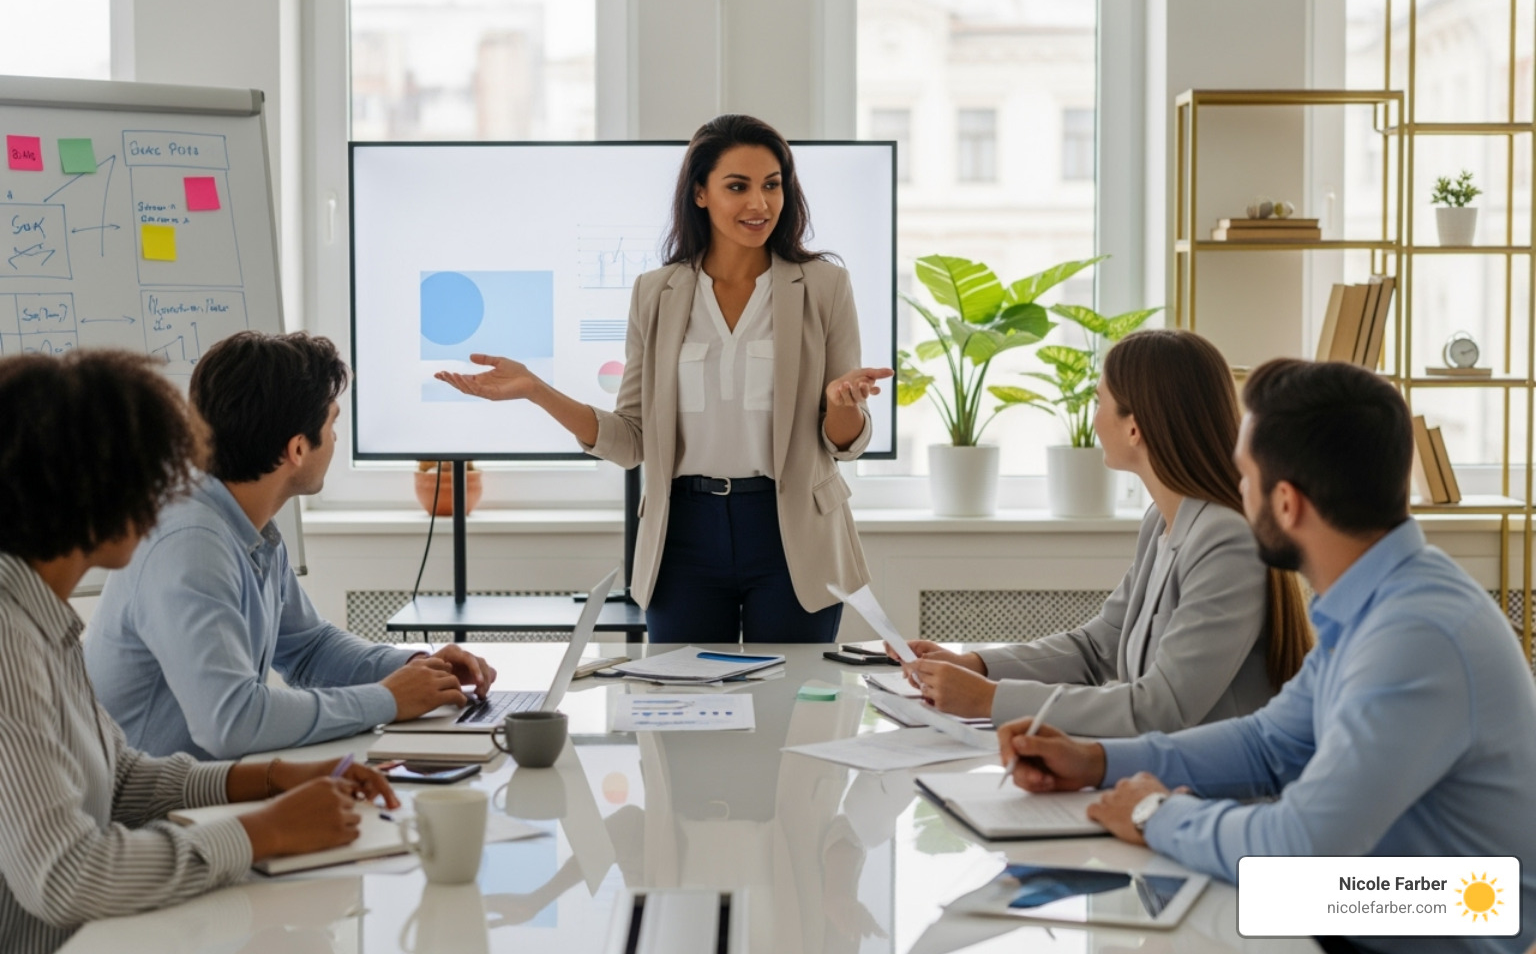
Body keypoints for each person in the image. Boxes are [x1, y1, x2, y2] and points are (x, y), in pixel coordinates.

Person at [1000, 358, 1536, 954]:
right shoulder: (1380, 598)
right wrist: (1097, 760)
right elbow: (1268, 744)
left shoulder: (1416, 636)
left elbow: (1299, 846)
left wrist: (1155, 814)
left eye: (1244, 477)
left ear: (1286, 503)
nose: (1236, 494)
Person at [0, 349, 400, 954]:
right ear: (94, 492)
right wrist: (263, 830)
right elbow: (66, 876)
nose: (167, 496)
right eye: (153, 478)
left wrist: (269, 780)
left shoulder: (39, 617)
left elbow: (121, 775)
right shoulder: (9, 639)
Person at [437, 114, 892, 643]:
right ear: (700, 193)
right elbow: (631, 439)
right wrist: (537, 391)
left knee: (792, 710)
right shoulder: (656, 293)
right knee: (682, 711)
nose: (759, 204)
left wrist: (843, 403)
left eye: (772, 185)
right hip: (684, 535)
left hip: (794, 532)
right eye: (737, 186)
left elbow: (842, 443)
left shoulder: (824, 285)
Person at [84, 331, 496, 760]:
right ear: (298, 448)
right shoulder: (191, 546)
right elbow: (232, 722)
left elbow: (309, 649)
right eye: (332, 423)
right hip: (148, 813)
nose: (335, 438)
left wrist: (414, 669)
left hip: (205, 790)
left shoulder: (244, 522)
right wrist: (388, 699)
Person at [899, 329, 1311, 734]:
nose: (1094, 420)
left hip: (1212, 784)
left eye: (1100, 402)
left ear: (1135, 428)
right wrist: (975, 665)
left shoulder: (1225, 540)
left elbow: (1160, 708)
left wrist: (988, 699)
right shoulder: (1163, 521)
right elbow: (1097, 647)